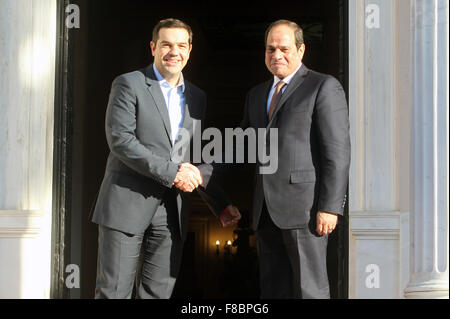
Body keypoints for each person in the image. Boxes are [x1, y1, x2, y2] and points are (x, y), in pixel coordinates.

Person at [91, 18, 240, 299]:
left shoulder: (197, 97)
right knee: (113, 293)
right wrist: (173, 172)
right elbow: (121, 141)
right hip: (126, 203)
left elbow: (190, 157)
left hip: (171, 211)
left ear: (190, 50)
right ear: (153, 47)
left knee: (158, 295)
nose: (174, 51)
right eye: (166, 44)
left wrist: (218, 202)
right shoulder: (128, 84)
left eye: (181, 45)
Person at [239, 19, 350, 298]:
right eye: (270, 49)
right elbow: (238, 145)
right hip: (266, 212)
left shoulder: (322, 86)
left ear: (301, 50)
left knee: (308, 290)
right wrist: (200, 170)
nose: (276, 55)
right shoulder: (255, 95)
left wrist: (331, 206)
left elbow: (336, 151)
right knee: (273, 290)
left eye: (284, 49)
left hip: (307, 210)